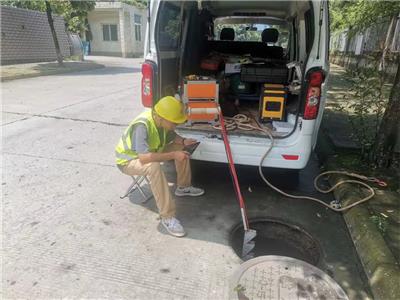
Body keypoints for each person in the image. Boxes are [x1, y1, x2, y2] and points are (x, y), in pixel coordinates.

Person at [115, 96, 204, 237]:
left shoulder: (160, 120)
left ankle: (183, 187)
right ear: (161, 118)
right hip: (127, 161)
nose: (175, 126)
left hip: (150, 152)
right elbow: (144, 158)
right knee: (154, 166)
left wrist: (184, 141)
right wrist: (173, 155)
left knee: (181, 149)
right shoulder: (142, 125)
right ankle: (167, 217)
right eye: (173, 123)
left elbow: (171, 135)